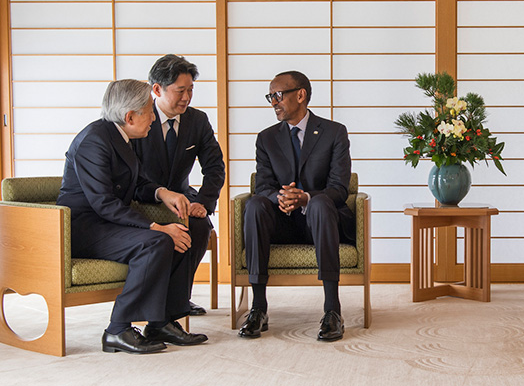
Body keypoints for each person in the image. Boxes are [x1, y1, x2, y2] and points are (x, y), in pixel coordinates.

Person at [57, 79, 209, 354]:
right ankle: (117, 329)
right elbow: (103, 203)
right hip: (84, 227)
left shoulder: (120, 137)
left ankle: (162, 321)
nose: (153, 117)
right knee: (157, 241)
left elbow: (138, 183)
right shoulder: (94, 141)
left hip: (108, 223)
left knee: (185, 232)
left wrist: (164, 193)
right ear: (129, 116)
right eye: (150, 111)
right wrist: (156, 227)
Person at [239, 70, 354, 342]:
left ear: (300, 95)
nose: (273, 103)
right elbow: (263, 185)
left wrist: (305, 198)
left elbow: (339, 188)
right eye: (270, 97)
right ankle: (258, 308)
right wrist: (280, 198)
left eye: (278, 95)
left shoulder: (334, 133)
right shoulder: (266, 138)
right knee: (255, 205)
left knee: (320, 203)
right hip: (281, 222)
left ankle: (332, 311)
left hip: (322, 222)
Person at [133, 54, 225, 316]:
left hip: (183, 198)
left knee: (198, 224)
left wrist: (204, 203)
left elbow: (215, 167)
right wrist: (160, 194)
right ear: (157, 89)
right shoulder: (139, 118)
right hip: (143, 198)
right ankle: (158, 301)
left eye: (191, 90)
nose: (187, 97)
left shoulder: (197, 121)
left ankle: (178, 300)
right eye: (180, 91)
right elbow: (131, 173)